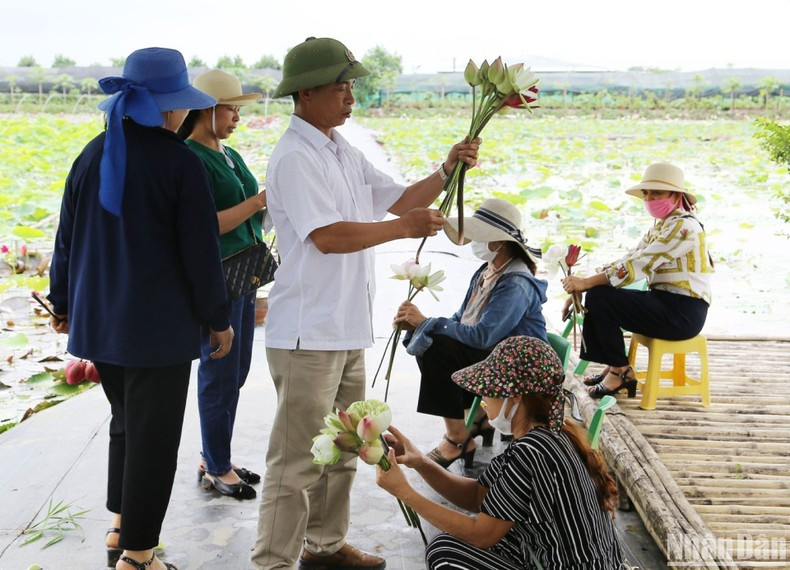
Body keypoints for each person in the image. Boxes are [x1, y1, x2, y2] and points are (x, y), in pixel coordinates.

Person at [251, 36, 480, 570]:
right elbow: (326, 237)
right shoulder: (295, 157)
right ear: (305, 94)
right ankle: (272, 563)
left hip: (347, 328)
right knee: (296, 463)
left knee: (347, 446)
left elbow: (400, 199)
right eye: (339, 86)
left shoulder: (339, 149)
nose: (350, 96)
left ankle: (325, 548)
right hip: (308, 333)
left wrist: (446, 171)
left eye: (351, 85)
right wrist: (401, 229)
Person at [48, 48, 234, 570]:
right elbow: (200, 254)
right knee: (154, 439)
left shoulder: (90, 154)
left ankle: (120, 526)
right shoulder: (180, 163)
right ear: (170, 109)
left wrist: (62, 303)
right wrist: (218, 319)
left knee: (127, 422)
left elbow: (66, 240)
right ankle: (138, 556)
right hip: (156, 330)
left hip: (102, 323)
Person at [376, 335, 625, 570]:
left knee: (447, 553)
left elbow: (481, 534)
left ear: (515, 397)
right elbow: (478, 495)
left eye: (488, 391)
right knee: (477, 540)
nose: (482, 399)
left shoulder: (530, 452)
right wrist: (420, 462)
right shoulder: (551, 434)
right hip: (569, 559)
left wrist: (405, 493)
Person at [395, 198, 548, 469]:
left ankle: (458, 438)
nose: (474, 241)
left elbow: (483, 336)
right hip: (498, 353)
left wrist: (428, 322)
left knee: (437, 346)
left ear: (498, 241)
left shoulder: (515, 283)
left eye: (480, 235)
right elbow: (461, 318)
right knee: (430, 339)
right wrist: (420, 325)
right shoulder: (486, 271)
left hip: (521, 365)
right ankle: (476, 417)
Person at [178, 69, 265, 500]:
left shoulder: (228, 155)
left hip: (245, 270)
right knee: (220, 369)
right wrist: (257, 202)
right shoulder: (192, 156)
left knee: (238, 368)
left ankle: (215, 455)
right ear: (207, 109)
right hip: (219, 276)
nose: (236, 116)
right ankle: (216, 465)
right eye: (231, 108)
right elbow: (204, 226)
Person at [562, 162, 712, 398]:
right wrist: (584, 284)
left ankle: (621, 372)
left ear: (676, 195)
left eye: (657, 193)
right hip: (664, 302)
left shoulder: (684, 227)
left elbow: (641, 263)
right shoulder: (664, 226)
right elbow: (631, 256)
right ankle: (616, 366)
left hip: (683, 312)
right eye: (646, 193)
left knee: (600, 297)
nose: (650, 198)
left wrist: (588, 282)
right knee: (600, 295)